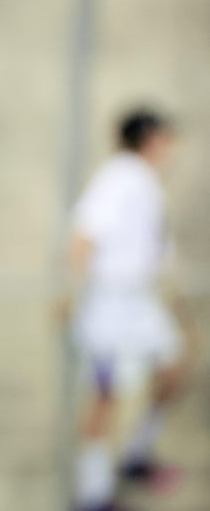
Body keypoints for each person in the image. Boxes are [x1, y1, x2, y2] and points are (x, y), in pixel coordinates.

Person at [68, 109, 185, 511]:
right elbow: (83, 236)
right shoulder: (119, 177)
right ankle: (91, 493)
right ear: (151, 137)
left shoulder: (144, 181)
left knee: (172, 368)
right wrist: (72, 296)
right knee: (104, 395)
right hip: (111, 304)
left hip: (139, 302)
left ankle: (135, 454)